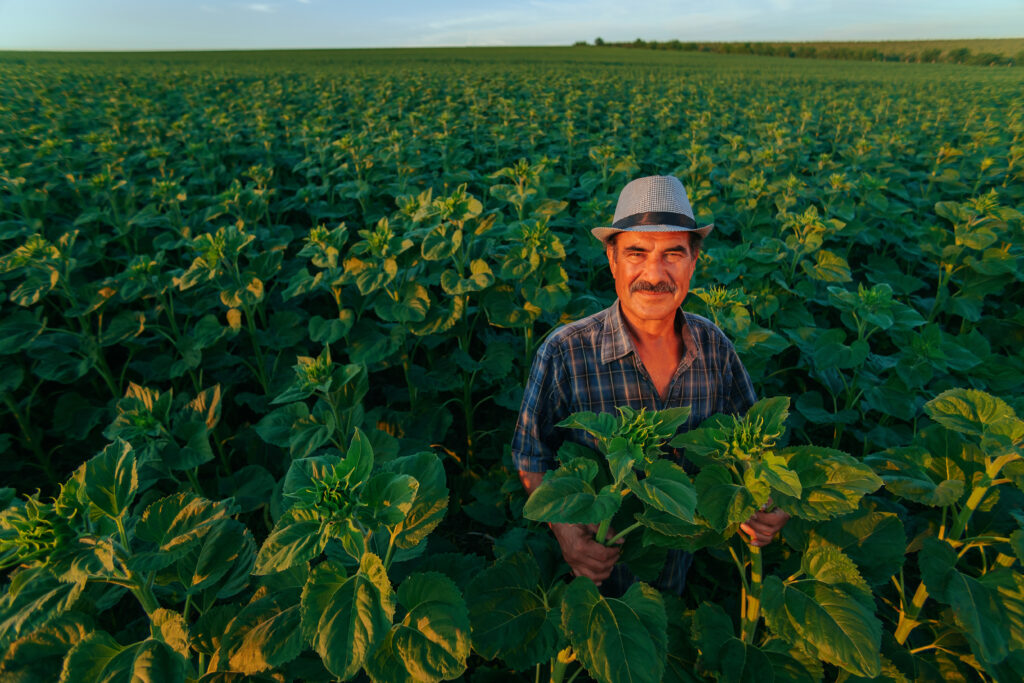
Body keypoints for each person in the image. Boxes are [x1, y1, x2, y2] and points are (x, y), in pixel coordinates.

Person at [511, 175, 789, 593]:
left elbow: (758, 441)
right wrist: (566, 530)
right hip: (594, 582)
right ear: (612, 259)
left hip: (689, 576)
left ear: (694, 261)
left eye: (673, 254)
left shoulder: (714, 346)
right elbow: (531, 454)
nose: (654, 274)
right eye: (636, 253)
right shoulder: (565, 352)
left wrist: (770, 502)